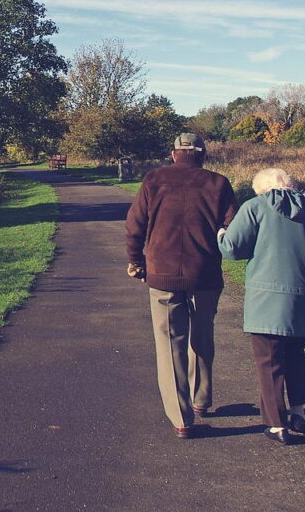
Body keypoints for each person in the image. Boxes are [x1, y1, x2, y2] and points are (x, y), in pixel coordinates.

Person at [218, 168, 305, 445]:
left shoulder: (254, 207)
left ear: (261, 189)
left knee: (269, 361)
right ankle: (298, 412)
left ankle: (276, 424)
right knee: (295, 354)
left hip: (265, 301)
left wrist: (221, 234)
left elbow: (232, 249)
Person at [125, 132, 238, 439]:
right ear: (203, 154)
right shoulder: (218, 183)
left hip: (162, 273)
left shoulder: (154, 180)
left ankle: (181, 418)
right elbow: (233, 228)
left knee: (169, 344)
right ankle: (201, 399)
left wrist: (136, 260)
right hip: (205, 274)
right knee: (202, 336)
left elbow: (134, 225)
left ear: (174, 154)